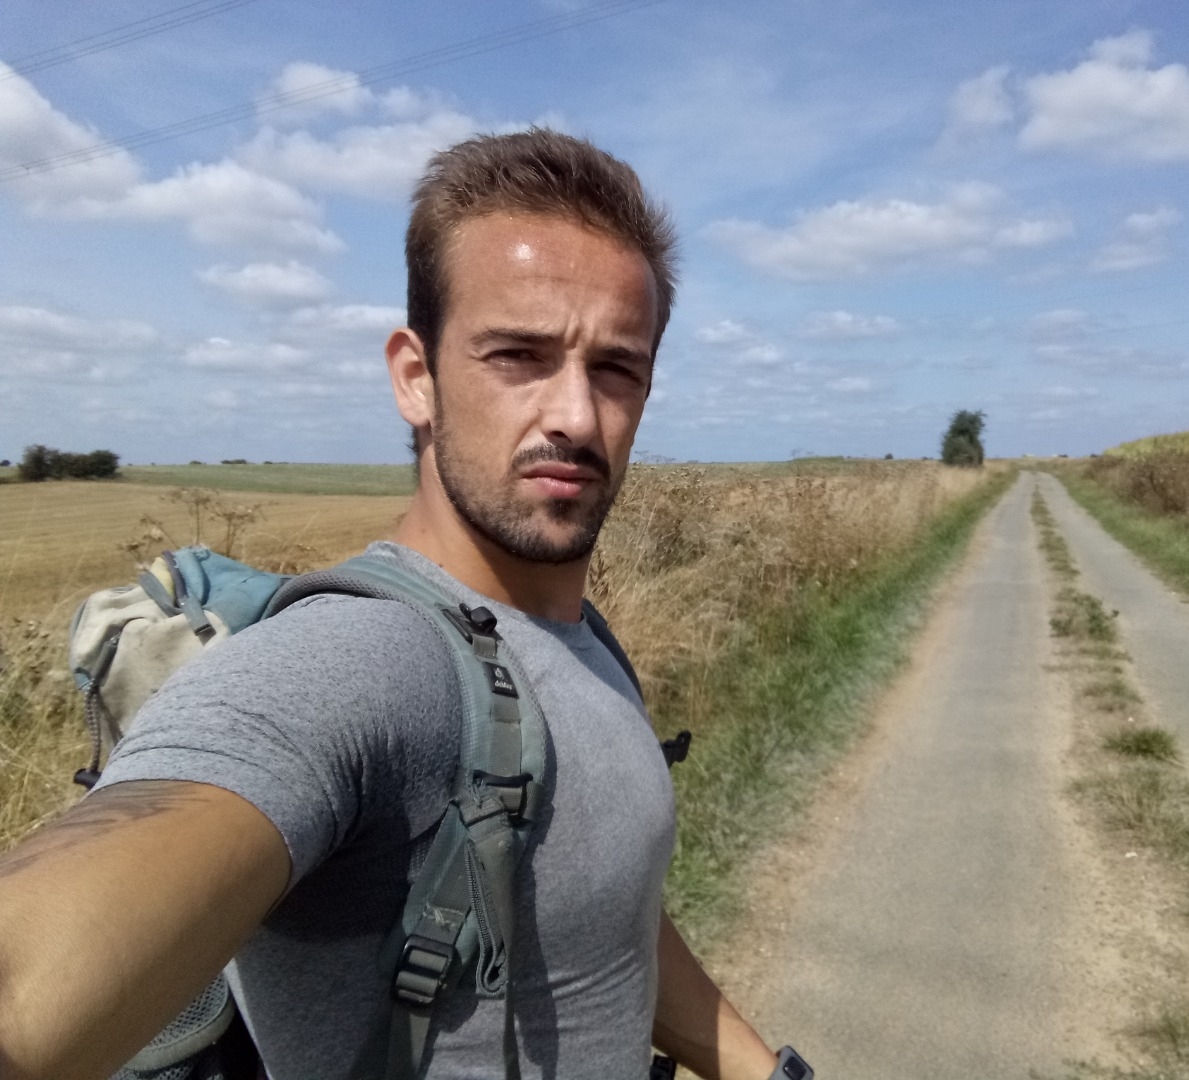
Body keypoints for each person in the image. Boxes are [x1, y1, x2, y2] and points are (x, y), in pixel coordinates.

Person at [0, 129, 794, 1080]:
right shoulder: (360, 665)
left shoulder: (580, 638)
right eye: (519, 355)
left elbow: (608, 913)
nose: (577, 416)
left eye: (616, 368)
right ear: (417, 378)